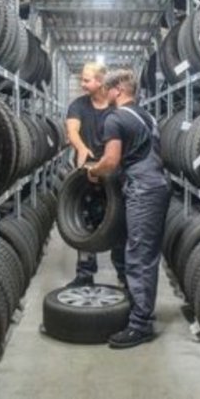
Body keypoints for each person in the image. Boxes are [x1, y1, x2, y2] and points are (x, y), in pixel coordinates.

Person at [85, 69, 170, 349]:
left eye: (107, 89)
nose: (104, 94)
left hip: (143, 190)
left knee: (140, 256)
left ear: (118, 90)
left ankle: (140, 326)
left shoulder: (116, 118)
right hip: (155, 185)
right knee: (139, 252)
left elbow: (110, 161)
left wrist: (93, 171)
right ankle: (139, 310)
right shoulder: (147, 116)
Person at [65, 62, 125, 288]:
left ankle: (123, 272)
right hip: (86, 177)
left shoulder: (115, 107)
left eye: (86, 80)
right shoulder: (78, 105)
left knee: (118, 222)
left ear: (100, 82)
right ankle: (85, 273)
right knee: (84, 223)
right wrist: (81, 148)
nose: (82, 84)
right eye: (81, 79)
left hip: (112, 174)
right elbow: (71, 130)